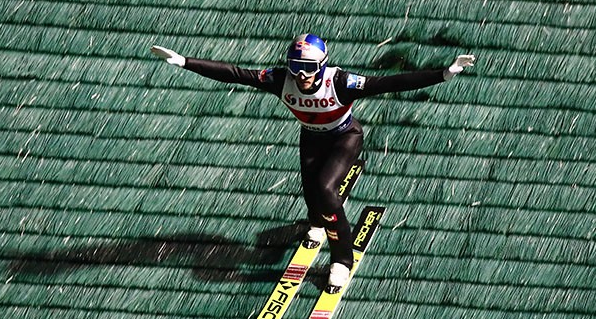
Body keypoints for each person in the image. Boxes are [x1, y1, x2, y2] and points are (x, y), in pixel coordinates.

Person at [151, 34, 475, 293]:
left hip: (344, 137)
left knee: (325, 190)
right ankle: (318, 224)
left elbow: (390, 83)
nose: (301, 75)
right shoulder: (281, 79)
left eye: (308, 67)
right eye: (295, 67)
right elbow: (236, 74)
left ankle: (342, 261)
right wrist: (184, 61)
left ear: (322, 66)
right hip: (312, 137)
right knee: (311, 195)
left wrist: (444, 74)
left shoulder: (341, 83)